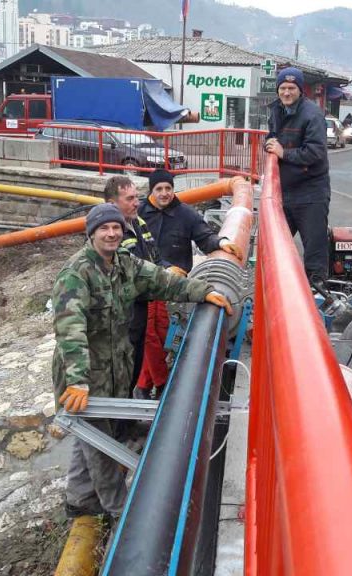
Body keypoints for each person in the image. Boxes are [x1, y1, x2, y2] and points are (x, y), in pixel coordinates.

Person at [52, 204, 233, 521]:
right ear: (91, 233)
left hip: (114, 367)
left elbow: (163, 281)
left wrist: (204, 292)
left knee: (91, 432)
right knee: (99, 443)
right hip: (83, 372)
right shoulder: (76, 274)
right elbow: (71, 330)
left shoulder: (125, 264)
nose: (111, 234)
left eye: (116, 228)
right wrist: (77, 380)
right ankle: (121, 511)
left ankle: (79, 499)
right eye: (104, 229)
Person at [134, 169, 243, 399]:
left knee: (163, 336)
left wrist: (221, 242)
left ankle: (149, 384)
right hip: (147, 284)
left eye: (168, 188)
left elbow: (204, 237)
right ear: (151, 191)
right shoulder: (139, 215)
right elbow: (137, 251)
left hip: (177, 288)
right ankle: (155, 384)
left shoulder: (185, 214)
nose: (164, 193)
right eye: (159, 189)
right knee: (151, 335)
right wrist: (162, 268)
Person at [102, 176, 171, 391]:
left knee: (134, 369)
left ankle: (127, 420)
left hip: (139, 312)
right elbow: (133, 274)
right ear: (113, 204)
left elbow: (154, 257)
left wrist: (168, 269)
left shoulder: (138, 223)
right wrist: (172, 283)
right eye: (130, 199)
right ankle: (118, 422)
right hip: (122, 319)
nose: (137, 203)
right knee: (119, 376)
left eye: (137, 197)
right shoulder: (110, 235)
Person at [265, 67, 331, 286]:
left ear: (300, 90)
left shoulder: (312, 114)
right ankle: (277, 290)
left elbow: (316, 151)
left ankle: (318, 297)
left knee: (314, 250)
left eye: (291, 88)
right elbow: (273, 134)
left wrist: (284, 153)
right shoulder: (277, 109)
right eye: (282, 88)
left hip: (311, 192)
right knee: (275, 245)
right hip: (285, 190)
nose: (286, 93)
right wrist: (270, 142)